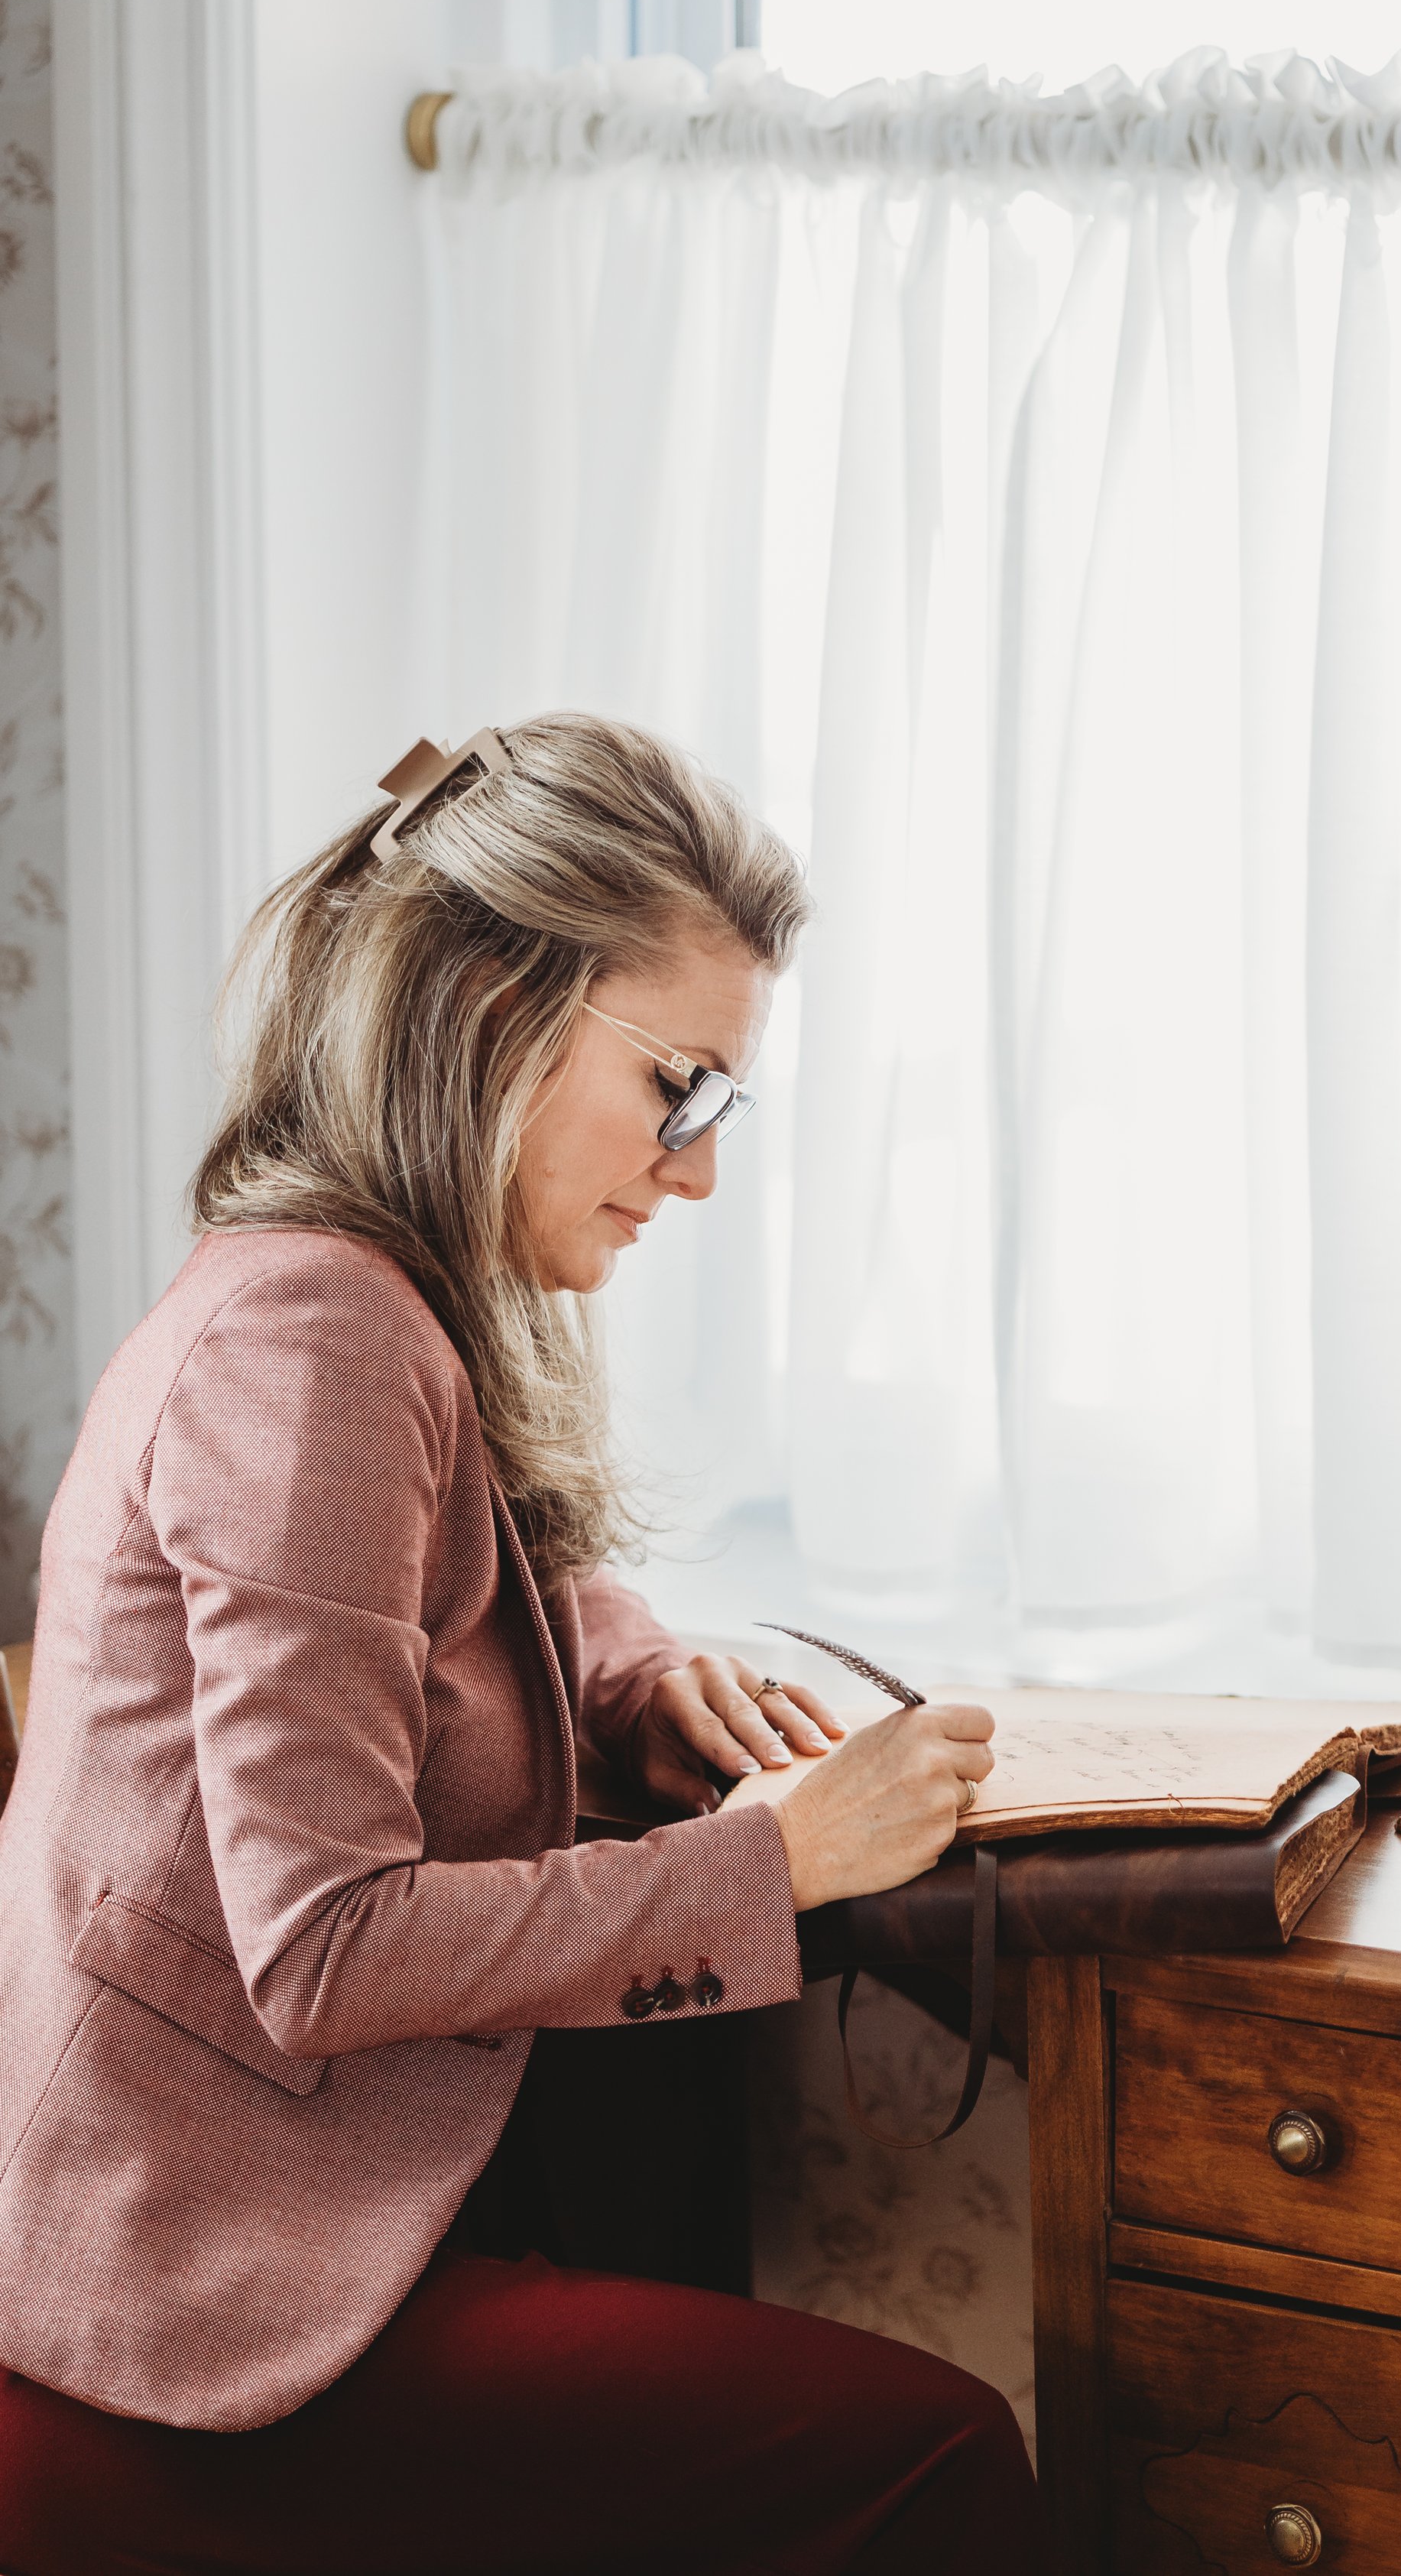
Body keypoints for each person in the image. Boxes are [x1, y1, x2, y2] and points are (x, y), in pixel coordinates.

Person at [0, 713, 1042, 2575]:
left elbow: (500, 1574)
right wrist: (775, 1859)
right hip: (200, 2280)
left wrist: (639, 1679)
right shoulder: (311, 1341)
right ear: (491, 1005)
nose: (697, 1171)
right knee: (936, 2458)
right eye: (682, 1089)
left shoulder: (397, 1290)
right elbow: (316, 1952)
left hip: (336, 2184)